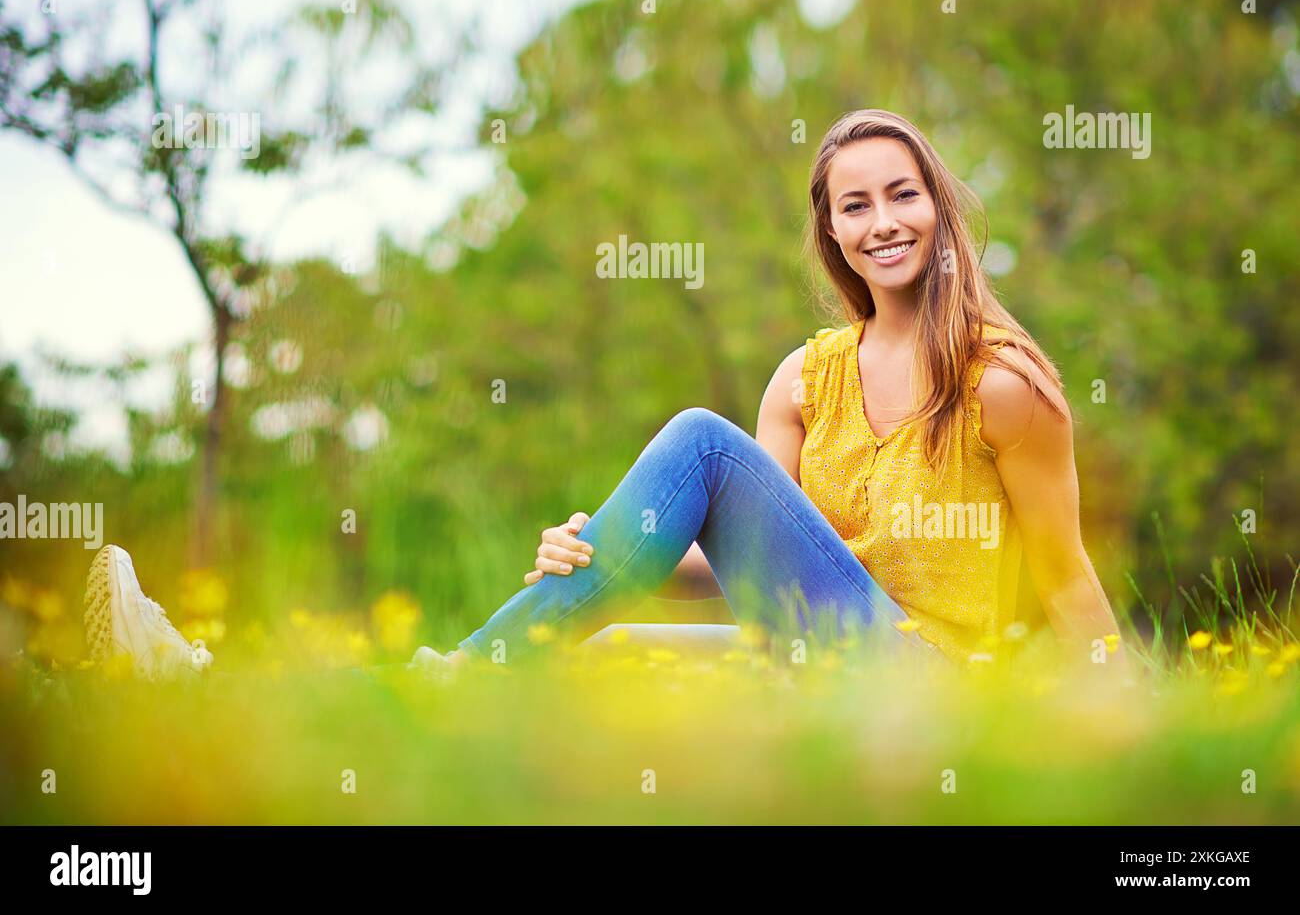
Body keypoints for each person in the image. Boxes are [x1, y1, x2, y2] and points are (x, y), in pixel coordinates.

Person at [86, 109, 1130, 681]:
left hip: (928, 687)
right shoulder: (806, 382)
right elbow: (741, 571)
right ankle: (212, 681)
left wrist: (1118, 738)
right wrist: (598, 557)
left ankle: (447, 676)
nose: (881, 220)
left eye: (902, 193)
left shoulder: (1002, 386)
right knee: (610, 650)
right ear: (834, 234)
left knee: (701, 445)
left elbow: (1070, 582)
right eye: (854, 204)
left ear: (941, 210)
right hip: (813, 655)